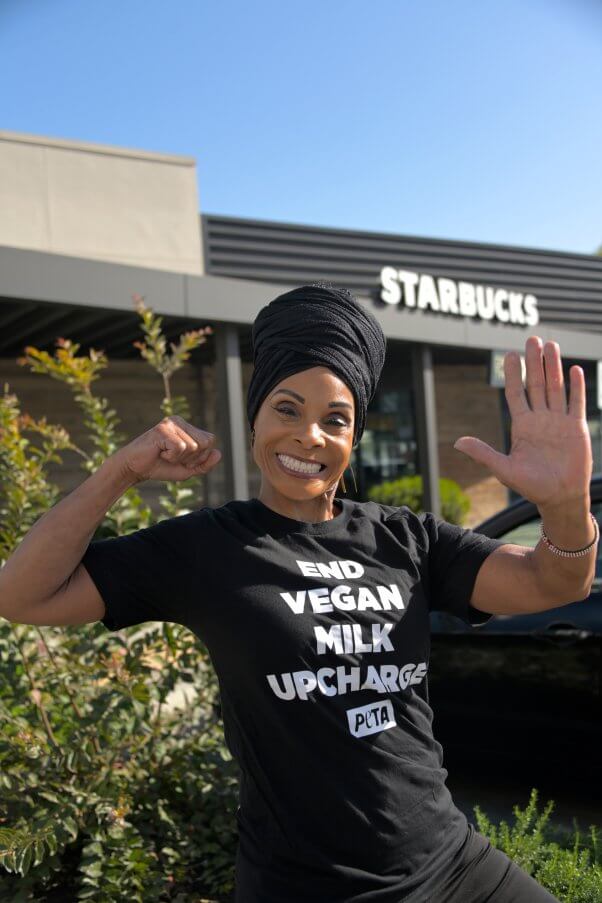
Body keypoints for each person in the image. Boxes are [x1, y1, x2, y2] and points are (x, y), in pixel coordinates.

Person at [0, 283, 598, 903]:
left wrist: (565, 505)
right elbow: (23, 595)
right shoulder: (208, 548)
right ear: (256, 415)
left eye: (335, 419)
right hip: (308, 887)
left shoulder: (408, 540)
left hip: (451, 864)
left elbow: (554, 579)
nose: (309, 435)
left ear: (354, 436)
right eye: (287, 409)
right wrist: (121, 470)